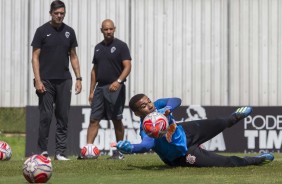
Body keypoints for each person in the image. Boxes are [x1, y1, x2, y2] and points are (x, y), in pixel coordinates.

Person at [116, 94, 274, 167]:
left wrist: (169, 107)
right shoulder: (147, 129)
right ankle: (257, 159)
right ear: (137, 114)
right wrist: (130, 148)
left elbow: (176, 99)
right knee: (226, 163)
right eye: (144, 106)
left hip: (187, 132)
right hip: (182, 155)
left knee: (219, 122)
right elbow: (145, 145)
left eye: (148, 101)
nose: (149, 106)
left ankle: (234, 118)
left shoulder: (157, 106)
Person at [31, 0, 82, 161]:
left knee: (63, 116)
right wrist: (38, 80)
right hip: (45, 81)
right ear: (51, 13)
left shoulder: (69, 32)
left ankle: (60, 152)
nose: (59, 16)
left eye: (62, 13)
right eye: (56, 13)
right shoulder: (41, 31)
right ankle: (43, 151)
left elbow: (73, 56)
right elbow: (35, 57)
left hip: (64, 80)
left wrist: (78, 78)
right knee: (46, 116)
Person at [85, 19, 131, 160]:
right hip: (100, 88)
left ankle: (119, 152)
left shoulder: (121, 46)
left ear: (114, 29)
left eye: (111, 29)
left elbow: (127, 66)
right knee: (94, 119)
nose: (108, 31)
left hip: (115, 88)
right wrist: (91, 91)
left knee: (116, 119)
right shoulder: (98, 48)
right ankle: (88, 151)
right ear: (101, 30)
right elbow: (94, 70)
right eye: (106, 29)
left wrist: (118, 81)